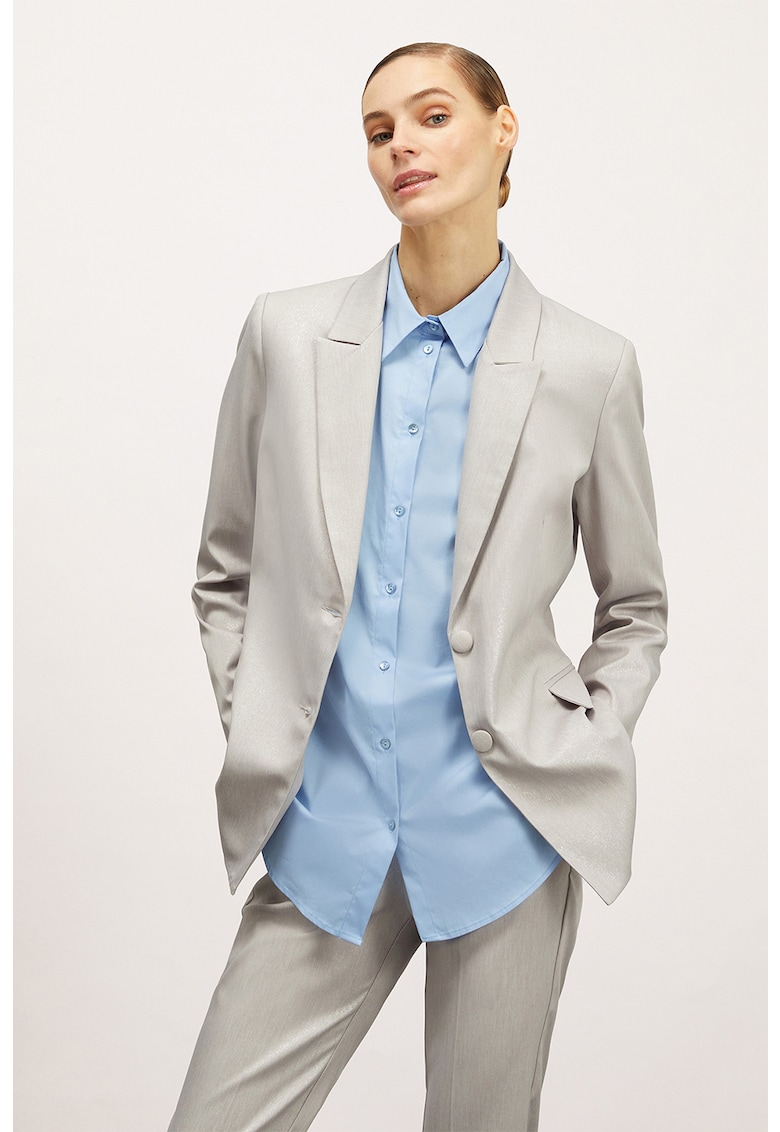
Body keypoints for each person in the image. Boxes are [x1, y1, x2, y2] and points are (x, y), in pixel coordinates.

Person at [168, 41, 668, 1132]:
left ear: (503, 129)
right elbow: (224, 569)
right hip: (326, 823)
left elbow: (636, 608)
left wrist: (583, 731)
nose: (402, 145)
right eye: (379, 130)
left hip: (506, 831)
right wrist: (265, 718)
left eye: (433, 116)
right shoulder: (288, 336)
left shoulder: (588, 365)